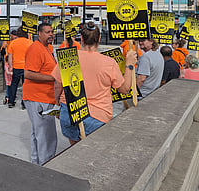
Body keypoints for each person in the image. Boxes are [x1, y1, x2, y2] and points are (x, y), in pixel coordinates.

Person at [52, 21, 136, 144]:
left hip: (70, 111)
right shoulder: (109, 63)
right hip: (97, 115)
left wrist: (59, 103)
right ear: (99, 38)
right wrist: (129, 65)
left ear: (81, 38)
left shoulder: (68, 57)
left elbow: (57, 85)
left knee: (75, 149)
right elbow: (124, 89)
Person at [22, 22, 57, 165]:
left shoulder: (47, 49)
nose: (51, 34)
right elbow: (28, 73)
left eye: (52, 32)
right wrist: (53, 78)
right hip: (37, 98)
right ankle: (45, 164)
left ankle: (38, 163)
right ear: (39, 34)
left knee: (40, 133)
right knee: (44, 135)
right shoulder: (35, 49)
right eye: (48, 32)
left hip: (45, 98)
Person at [7, 27, 33, 109]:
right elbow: (32, 56)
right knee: (25, 85)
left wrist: (11, 67)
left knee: (14, 84)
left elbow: (10, 57)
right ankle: (24, 103)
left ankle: (11, 101)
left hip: (16, 66)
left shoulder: (13, 43)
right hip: (26, 67)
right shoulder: (30, 43)